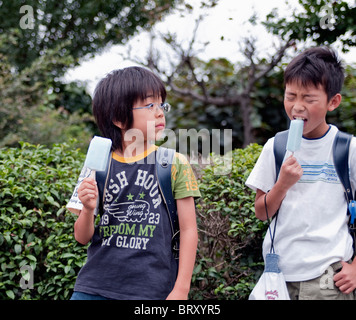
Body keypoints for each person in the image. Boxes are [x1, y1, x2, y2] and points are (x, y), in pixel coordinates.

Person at [66, 66, 200, 300]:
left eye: (162, 105)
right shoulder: (97, 164)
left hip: (152, 291)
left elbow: (188, 229)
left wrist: (181, 289)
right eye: (150, 106)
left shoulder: (174, 163)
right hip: (93, 289)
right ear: (118, 118)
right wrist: (87, 209)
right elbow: (82, 237)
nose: (160, 113)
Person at [246, 47, 356, 300]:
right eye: (291, 96)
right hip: (279, 276)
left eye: (309, 98)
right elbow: (262, 212)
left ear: (333, 101)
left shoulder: (348, 149)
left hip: (330, 277)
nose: (297, 107)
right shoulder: (276, 146)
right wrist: (282, 184)